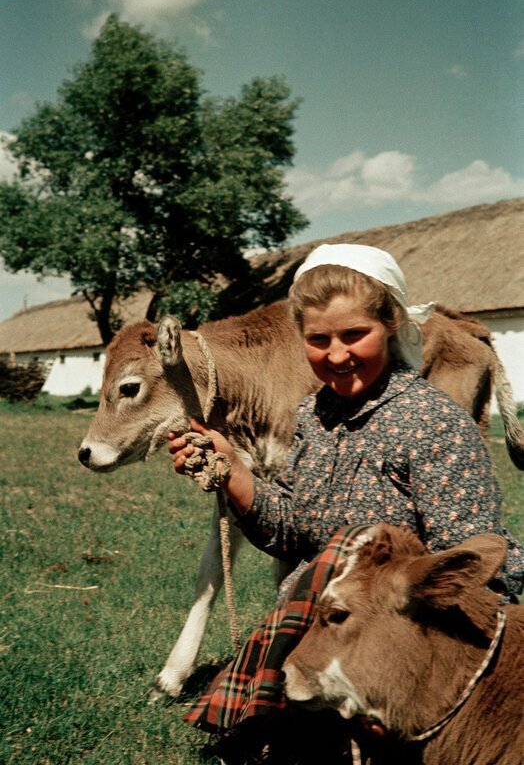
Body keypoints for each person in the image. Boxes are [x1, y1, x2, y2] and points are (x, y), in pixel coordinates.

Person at [169, 244, 523, 764]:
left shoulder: (432, 423)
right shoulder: (313, 417)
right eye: (318, 339)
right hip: (318, 634)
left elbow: (476, 567)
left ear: (392, 324)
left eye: (355, 334)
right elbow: (293, 532)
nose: (337, 354)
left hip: (395, 653)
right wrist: (235, 473)